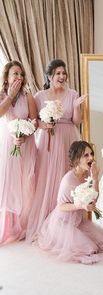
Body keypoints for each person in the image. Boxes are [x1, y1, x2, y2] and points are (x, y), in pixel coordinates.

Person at [26, 59, 86, 242]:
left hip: (68, 137)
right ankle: (47, 223)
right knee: (48, 177)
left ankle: (68, 223)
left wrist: (76, 106)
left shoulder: (73, 93)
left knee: (66, 177)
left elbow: (77, 121)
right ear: (50, 76)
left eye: (63, 73)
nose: (61, 76)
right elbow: (33, 122)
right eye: (58, 73)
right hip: (48, 140)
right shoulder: (40, 96)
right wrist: (45, 124)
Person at [36, 141, 103, 263]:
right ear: (77, 159)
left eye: (91, 154)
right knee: (89, 249)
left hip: (79, 222)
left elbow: (95, 198)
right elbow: (61, 206)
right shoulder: (68, 180)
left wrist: (95, 178)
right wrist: (81, 205)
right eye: (86, 155)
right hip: (63, 224)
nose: (91, 158)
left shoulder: (87, 174)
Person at [0, 60, 37, 245]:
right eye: (15, 73)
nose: (19, 77)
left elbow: (35, 120)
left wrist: (27, 131)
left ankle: (24, 224)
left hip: (27, 145)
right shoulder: (1, 95)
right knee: (8, 184)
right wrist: (10, 95)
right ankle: (8, 228)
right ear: (6, 78)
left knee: (27, 183)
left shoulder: (28, 95)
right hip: (9, 144)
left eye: (21, 74)